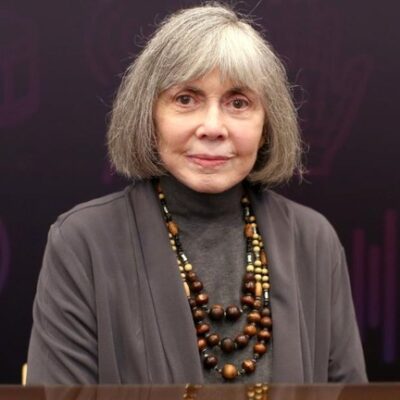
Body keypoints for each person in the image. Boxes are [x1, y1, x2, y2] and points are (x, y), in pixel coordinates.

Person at [27, 3, 367, 384]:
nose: (213, 127)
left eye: (238, 102)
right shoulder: (83, 243)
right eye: (186, 99)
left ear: (266, 126)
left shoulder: (314, 241)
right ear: (150, 117)